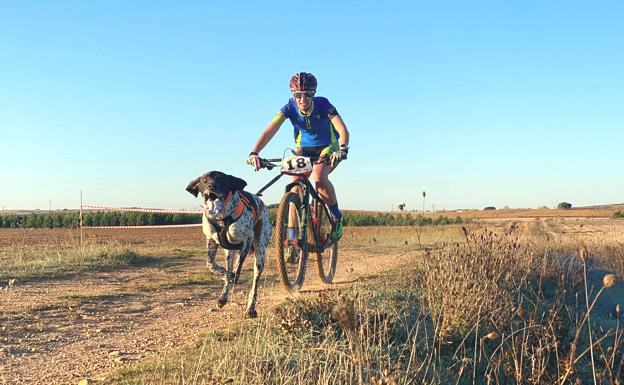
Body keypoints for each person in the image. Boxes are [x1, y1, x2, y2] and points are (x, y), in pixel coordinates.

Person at [248, 72, 349, 240]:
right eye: (298, 95)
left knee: (318, 177)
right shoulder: (289, 107)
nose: (303, 99)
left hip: (328, 147)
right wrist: (254, 152)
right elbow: (269, 130)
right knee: (294, 185)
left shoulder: (323, 104)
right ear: (292, 94)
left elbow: (342, 129)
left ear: (314, 94)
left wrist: (343, 149)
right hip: (303, 149)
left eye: (308, 94)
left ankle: (337, 217)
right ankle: (292, 238)